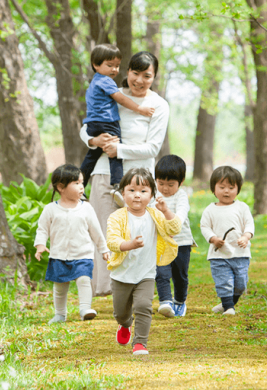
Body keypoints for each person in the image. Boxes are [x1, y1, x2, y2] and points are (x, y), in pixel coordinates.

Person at [80, 51, 170, 297]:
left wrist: (119, 149)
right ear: (126, 71)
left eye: (147, 75)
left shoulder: (159, 105)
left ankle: (137, 289)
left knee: (137, 233)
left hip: (139, 181)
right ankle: (106, 290)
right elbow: (87, 127)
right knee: (106, 231)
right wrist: (93, 140)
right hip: (103, 173)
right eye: (135, 73)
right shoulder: (111, 92)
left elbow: (153, 147)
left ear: (154, 77)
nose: (140, 80)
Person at [106, 168, 181, 355]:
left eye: (143, 191)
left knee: (143, 306)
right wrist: (129, 244)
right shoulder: (117, 217)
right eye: (131, 190)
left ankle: (140, 343)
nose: (137, 196)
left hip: (146, 273)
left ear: (152, 195)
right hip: (121, 274)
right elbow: (112, 241)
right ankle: (125, 325)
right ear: (122, 193)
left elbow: (175, 227)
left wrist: (166, 211)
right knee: (120, 313)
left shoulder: (155, 214)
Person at [34, 164, 110, 324]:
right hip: (59, 256)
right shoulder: (50, 210)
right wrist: (40, 245)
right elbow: (42, 229)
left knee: (84, 280)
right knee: (60, 288)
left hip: (83, 255)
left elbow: (96, 231)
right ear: (61, 187)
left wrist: (103, 249)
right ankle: (60, 314)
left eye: (82, 182)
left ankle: (85, 309)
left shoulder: (86, 208)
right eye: (76, 183)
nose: (81, 187)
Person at [80, 44, 155, 189]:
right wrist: (140, 108)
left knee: (91, 156)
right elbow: (121, 99)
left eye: (117, 66)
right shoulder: (106, 81)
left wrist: (94, 139)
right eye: (110, 65)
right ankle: (117, 184)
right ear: (96, 65)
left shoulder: (94, 82)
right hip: (107, 122)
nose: (114, 69)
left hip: (93, 123)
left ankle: (80, 183)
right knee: (115, 150)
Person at [200, 166, 254, 316]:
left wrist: (246, 236)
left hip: (240, 254)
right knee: (224, 283)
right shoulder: (210, 210)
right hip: (219, 256)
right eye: (222, 187)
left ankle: (226, 304)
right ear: (213, 189)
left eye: (231, 187)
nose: (226, 191)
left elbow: (249, 225)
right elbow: (204, 227)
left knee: (241, 284)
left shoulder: (242, 207)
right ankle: (229, 307)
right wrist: (213, 239)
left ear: (238, 189)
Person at [154, 155, 195, 318]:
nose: (165, 188)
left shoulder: (181, 196)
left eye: (170, 184)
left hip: (181, 243)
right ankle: (165, 301)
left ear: (181, 181)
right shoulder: (153, 195)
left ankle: (179, 301)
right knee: (161, 272)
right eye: (161, 183)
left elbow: (180, 217)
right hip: (162, 243)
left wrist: (167, 216)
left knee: (180, 275)